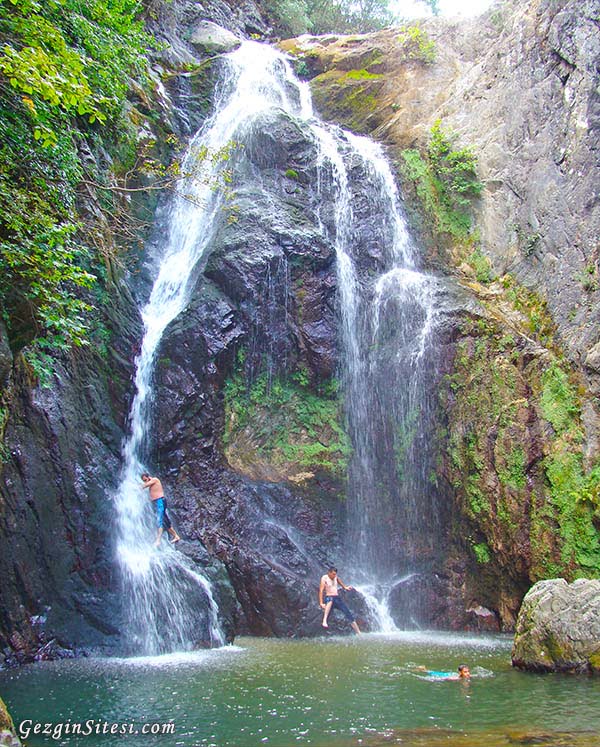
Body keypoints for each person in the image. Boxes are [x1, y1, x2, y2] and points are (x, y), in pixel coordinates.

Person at [141, 473, 181, 547]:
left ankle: (158, 540)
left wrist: (136, 487)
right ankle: (176, 536)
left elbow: (145, 485)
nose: (145, 482)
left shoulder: (155, 480)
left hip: (160, 501)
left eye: (145, 480)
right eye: (144, 481)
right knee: (165, 521)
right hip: (157, 503)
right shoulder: (151, 484)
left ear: (148, 477)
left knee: (160, 519)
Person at [319, 566, 361, 634]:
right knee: (330, 599)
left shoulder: (335, 576)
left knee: (347, 612)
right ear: (329, 573)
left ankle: (358, 632)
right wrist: (321, 603)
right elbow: (321, 590)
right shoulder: (324, 578)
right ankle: (324, 620)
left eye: (335, 574)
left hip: (337, 598)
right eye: (333, 574)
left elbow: (339, 580)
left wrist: (345, 587)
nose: (334, 576)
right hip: (329, 597)